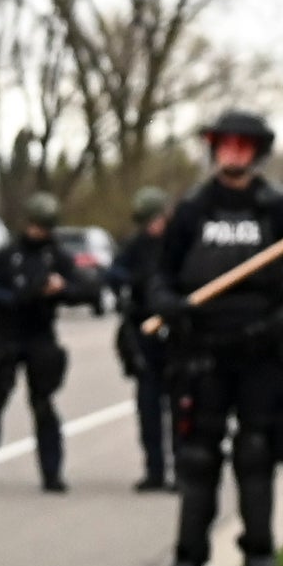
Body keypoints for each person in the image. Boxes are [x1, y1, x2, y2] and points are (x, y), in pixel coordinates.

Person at [148, 109, 283, 566]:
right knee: (197, 459)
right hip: (202, 352)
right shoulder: (192, 210)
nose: (232, 152)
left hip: (261, 351)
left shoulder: (279, 209)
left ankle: (260, 562)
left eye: (242, 145)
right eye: (224, 144)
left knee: (256, 454)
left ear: (256, 152)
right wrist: (169, 305)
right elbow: (158, 276)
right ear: (214, 149)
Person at [0, 191, 79, 493]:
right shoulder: (6, 255)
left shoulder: (57, 257)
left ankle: (52, 474)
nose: (40, 232)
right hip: (7, 333)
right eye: (37, 226)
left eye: (46, 227)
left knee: (43, 405)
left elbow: (84, 286)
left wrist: (61, 289)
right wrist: (14, 298)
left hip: (40, 334)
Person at [111, 185, 176, 492]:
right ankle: (155, 470)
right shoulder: (134, 247)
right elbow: (113, 274)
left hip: (177, 332)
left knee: (180, 406)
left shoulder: (179, 244)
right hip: (143, 333)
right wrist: (135, 283)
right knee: (148, 406)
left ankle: (182, 470)